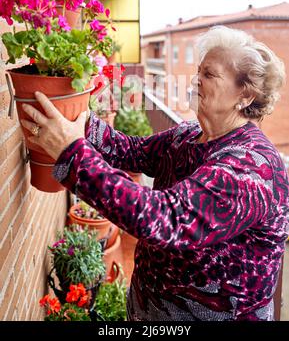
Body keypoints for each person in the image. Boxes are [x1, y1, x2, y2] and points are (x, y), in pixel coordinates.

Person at [21, 25, 289, 321]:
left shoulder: (254, 167)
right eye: (198, 71)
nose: (195, 80)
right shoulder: (189, 135)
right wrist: (79, 119)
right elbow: (132, 151)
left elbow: (165, 218)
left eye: (209, 74)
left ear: (246, 95)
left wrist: (71, 151)